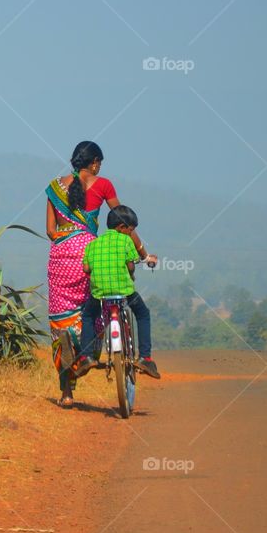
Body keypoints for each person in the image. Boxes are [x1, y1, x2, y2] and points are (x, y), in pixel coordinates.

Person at [46, 141, 156, 407]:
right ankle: (95, 353)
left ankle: (67, 392)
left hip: (61, 258)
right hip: (89, 253)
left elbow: (50, 231)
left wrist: (67, 239)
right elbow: (123, 222)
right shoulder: (103, 184)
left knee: (62, 324)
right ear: (94, 162)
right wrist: (143, 253)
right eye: (99, 164)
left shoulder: (53, 188)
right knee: (95, 314)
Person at [82, 205, 161, 379]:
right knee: (142, 314)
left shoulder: (93, 243)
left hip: (99, 292)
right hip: (123, 290)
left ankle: (85, 356)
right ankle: (145, 357)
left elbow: (86, 269)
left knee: (88, 315)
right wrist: (131, 275)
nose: (130, 233)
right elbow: (131, 264)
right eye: (130, 230)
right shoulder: (125, 241)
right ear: (121, 227)